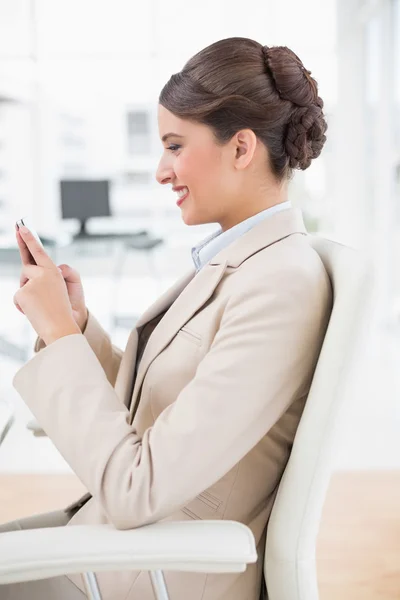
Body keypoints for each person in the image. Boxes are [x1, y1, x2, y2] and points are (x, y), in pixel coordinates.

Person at [0, 37, 332, 600]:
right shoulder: (240, 261)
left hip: (151, 569)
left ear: (242, 148)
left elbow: (137, 486)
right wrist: (77, 327)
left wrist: (58, 335)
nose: (161, 170)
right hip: (121, 546)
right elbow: (156, 414)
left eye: (176, 146)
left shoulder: (280, 284)